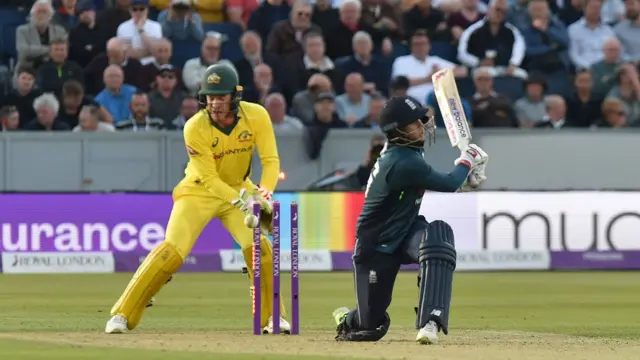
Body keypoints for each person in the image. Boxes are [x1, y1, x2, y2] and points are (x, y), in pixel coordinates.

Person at [105, 62, 288, 334]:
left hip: (239, 187)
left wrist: (264, 194)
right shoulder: (194, 127)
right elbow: (211, 179)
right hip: (197, 191)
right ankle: (122, 314)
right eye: (210, 97)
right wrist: (243, 202)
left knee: (259, 247)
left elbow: (271, 161)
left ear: (235, 96)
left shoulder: (257, 116)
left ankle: (273, 317)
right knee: (171, 252)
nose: (214, 103)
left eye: (221, 97)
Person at [332, 96, 489, 344]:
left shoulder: (409, 152)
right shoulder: (401, 161)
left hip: (406, 230)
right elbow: (448, 182)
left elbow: (437, 181)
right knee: (371, 327)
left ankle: (430, 322)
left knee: (438, 239)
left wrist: (463, 178)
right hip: (376, 245)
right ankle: (348, 318)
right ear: (396, 131)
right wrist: (466, 160)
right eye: (413, 124)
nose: (421, 127)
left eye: (420, 121)